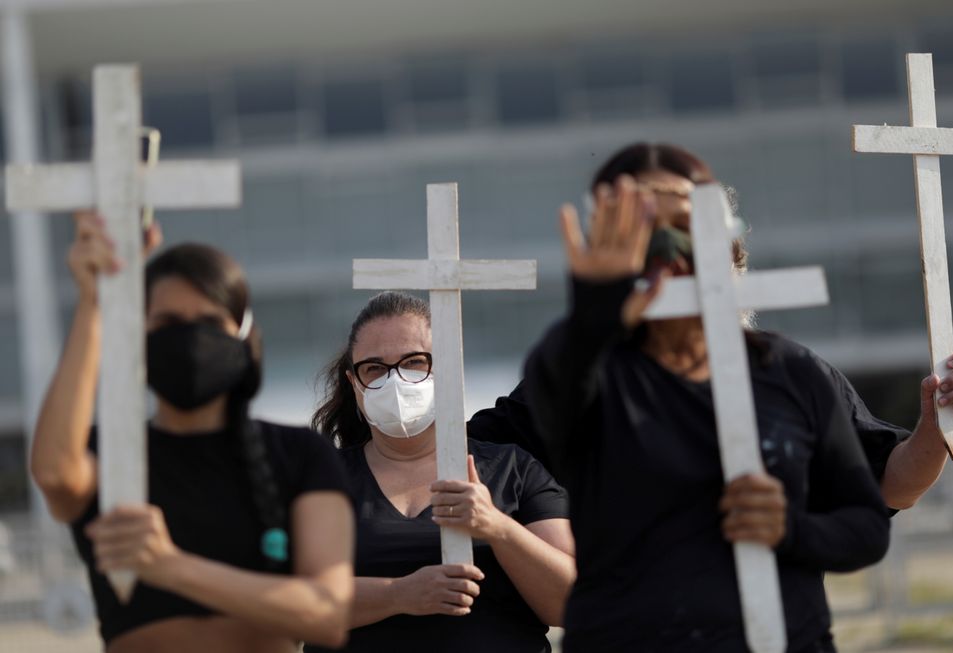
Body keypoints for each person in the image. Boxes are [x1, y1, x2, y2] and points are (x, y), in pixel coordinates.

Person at [519, 145, 892, 651]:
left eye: (685, 223)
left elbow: (866, 526)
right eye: (644, 225)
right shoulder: (588, 374)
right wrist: (598, 306)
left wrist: (791, 528)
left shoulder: (790, 371)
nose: (669, 247)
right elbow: (560, 382)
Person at [469, 142, 953, 512]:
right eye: (649, 250)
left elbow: (889, 485)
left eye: (692, 247)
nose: (672, 269)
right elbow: (460, 456)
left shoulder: (791, 375)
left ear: (732, 264)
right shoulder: (579, 378)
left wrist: (932, 433)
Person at [31, 212, 354, 652]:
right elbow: (53, 473)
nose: (190, 339)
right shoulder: (110, 455)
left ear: (242, 337)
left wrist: (170, 566)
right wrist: (94, 299)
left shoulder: (299, 454)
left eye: (209, 321)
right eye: (168, 323)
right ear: (139, 337)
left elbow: (326, 614)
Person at [308, 291, 575, 653]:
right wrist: (397, 595)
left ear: (446, 368)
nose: (395, 382)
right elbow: (287, 600)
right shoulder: (320, 479)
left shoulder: (511, 468)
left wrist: (497, 528)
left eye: (414, 362)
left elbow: (572, 604)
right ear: (354, 382)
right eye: (375, 369)